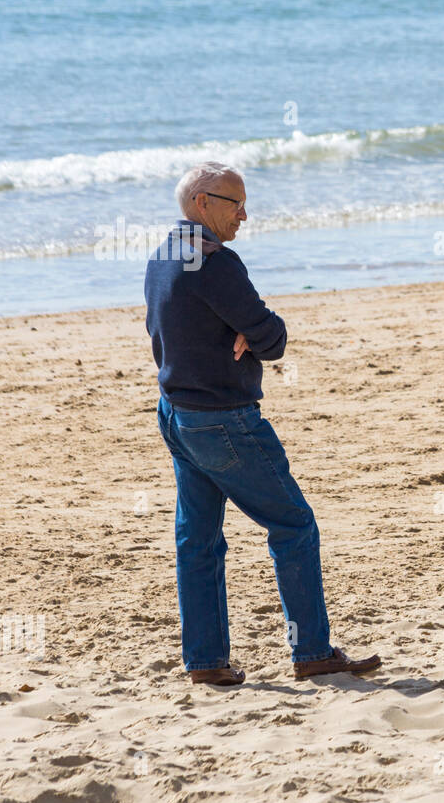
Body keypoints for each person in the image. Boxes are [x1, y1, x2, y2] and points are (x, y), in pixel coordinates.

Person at [145, 161, 382, 685]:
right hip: (222, 419)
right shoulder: (216, 263)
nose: (245, 215)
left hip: (177, 413)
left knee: (198, 540)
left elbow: (175, 330)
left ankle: (205, 663)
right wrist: (252, 335)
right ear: (203, 203)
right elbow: (273, 337)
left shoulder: (163, 254)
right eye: (236, 204)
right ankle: (313, 652)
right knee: (294, 525)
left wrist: (245, 334)